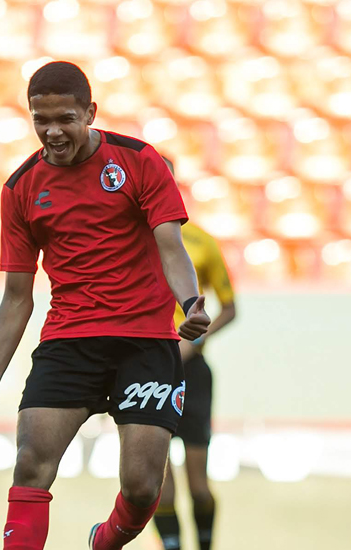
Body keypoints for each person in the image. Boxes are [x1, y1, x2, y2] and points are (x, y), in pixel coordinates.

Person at [0, 61, 211, 550]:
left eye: (65, 119)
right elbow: (16, 296)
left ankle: (107, 540)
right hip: (68, 341)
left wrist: (189, 303)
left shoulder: (139, 161)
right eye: (40, 120)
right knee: (32, 465)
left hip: (145, 341)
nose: (52, 132)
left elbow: (170, 244)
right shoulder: (20, 187)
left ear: (90, 113)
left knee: (142, 488)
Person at [152, 157, 237, 550]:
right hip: (147, 368)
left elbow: (230, 307)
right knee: (154, 485)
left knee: (199, 485)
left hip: (191, 370)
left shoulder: (202, 242)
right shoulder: (128, 240)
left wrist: (195, 341)